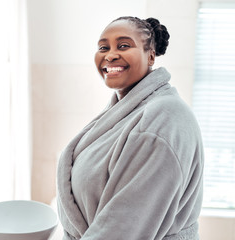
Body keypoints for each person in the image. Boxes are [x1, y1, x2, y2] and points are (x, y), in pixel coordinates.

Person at [56, 16, 204, 240]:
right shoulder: (127, 110)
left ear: (151, 55)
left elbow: (122, 229)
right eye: (103, 47)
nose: (111, 54)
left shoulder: (162, 119)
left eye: (123, 45)